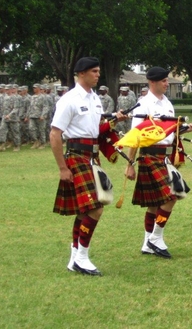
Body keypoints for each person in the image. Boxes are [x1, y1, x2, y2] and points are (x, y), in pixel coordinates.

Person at [50, 57, 127, 276]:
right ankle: (82, 257)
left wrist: (113, 123)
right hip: (76, 156)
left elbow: (95, 130)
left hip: (92, 157)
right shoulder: (69, 100)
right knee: (96, 207)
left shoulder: (95, 98)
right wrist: (62, 167)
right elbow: (55, 134)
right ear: (81, 73)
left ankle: (76, 254)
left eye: (98, 71)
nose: (97, 74)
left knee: (86, 208)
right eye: (94, 71)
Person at [125, 67, 192, 258]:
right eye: (164, 81)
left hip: (165, 156)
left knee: (155, 203)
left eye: (167, 80)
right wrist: (129, 164)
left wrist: (187, 129)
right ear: (152, 82)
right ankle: (155, 238)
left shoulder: (167, 103)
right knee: (171, 196)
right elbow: (136, 136)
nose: (167, 84)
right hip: (150, 156)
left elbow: (171, 133)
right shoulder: (143, 104)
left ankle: (147, 244)